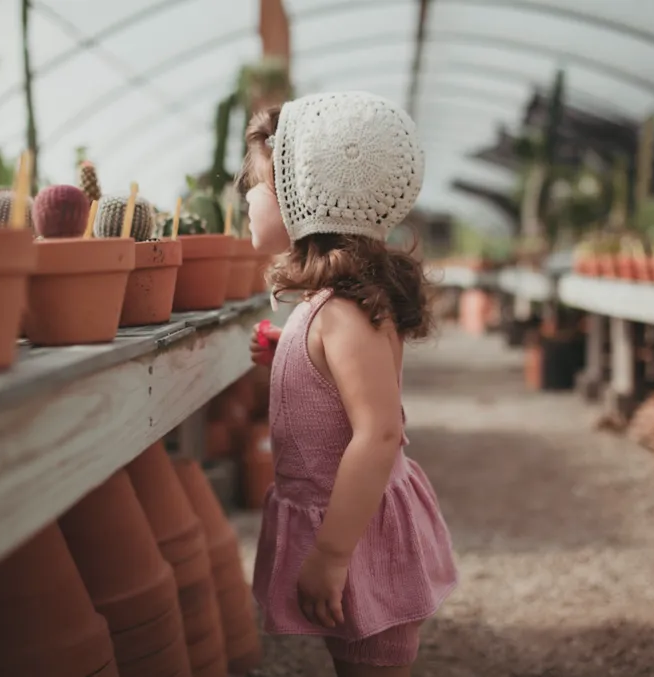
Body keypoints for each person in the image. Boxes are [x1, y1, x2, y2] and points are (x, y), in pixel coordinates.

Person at [237, 91, 458, 677]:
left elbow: (379, 433)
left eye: (255, 185)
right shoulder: (332, 308)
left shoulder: (342, 312)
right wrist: (291, 356)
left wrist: (332, 556)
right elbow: (344, 384)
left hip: (354, 532)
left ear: (300, 200)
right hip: (349, 517)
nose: (246, 198)